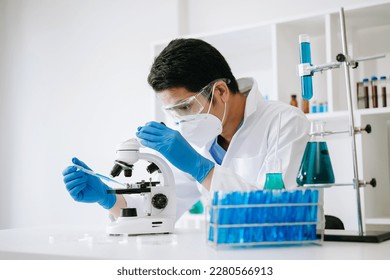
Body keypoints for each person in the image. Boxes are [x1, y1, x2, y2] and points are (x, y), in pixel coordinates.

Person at [62, 38, 309, 220]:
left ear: (220, 91)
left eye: (185, 107)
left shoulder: (284, 122)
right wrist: (110, 199)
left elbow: (275, 211)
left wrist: (201, 169)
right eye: (173, 112)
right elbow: (163, 210)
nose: (181, 121)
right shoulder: (199, 137)